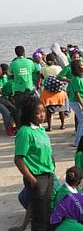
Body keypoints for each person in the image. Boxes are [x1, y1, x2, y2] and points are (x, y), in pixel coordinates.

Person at [14, 95, 55, 230]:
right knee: (39, 216)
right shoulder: (25, 132)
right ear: (29, 114)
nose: (41, 115)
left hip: (48, 175)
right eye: (37, 113)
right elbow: (18, 159)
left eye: (43, 111)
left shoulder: (41, 129)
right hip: (37, 177)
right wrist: (32, 180)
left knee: (46, 212)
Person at [9, 46, 40, 128]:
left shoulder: (13, 64)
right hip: (29, 89)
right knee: (30, 108)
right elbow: (36, 69)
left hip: (18, 90)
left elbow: (10, 74)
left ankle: (20, 127)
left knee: (19, 110)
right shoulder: (29, 62)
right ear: (24, 52)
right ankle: (31, 124)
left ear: (16, 53)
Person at [68, 60, 83, 146]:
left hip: (77, 102)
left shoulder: (79, 77)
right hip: (77, 102)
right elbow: (77, 95)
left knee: (82, 121)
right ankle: (79, 142)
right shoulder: (76, 79)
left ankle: (78, 141)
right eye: (82, 65)